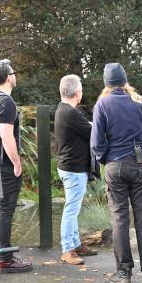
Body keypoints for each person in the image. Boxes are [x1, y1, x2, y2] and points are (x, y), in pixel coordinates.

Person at [91, 63, 142, 283]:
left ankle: (123, 275)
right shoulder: (140, 101)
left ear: (107, 83)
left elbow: (96, 143)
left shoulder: (102, 104)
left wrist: (107, 160)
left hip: (116, 167)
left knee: (119, 220)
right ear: (125, 80)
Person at [0, 59, 33, 273]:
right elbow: (6, 135)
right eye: (14, 73)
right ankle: (6, 259)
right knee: (5, 209)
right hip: (4, 163)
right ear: (9, 77)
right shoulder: (6, 102)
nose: (15, 76)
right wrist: (17, 162)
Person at [54, 75, 98, 265]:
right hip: (73, 169)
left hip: (69, 167)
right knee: (71, 210)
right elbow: (93, 132)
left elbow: (86, 126)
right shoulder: (71, 113)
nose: (82, 92)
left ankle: (76, 244)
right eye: (81, 89)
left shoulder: (63, 110)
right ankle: (67, 250)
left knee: (74, 208)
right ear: (76, 92)